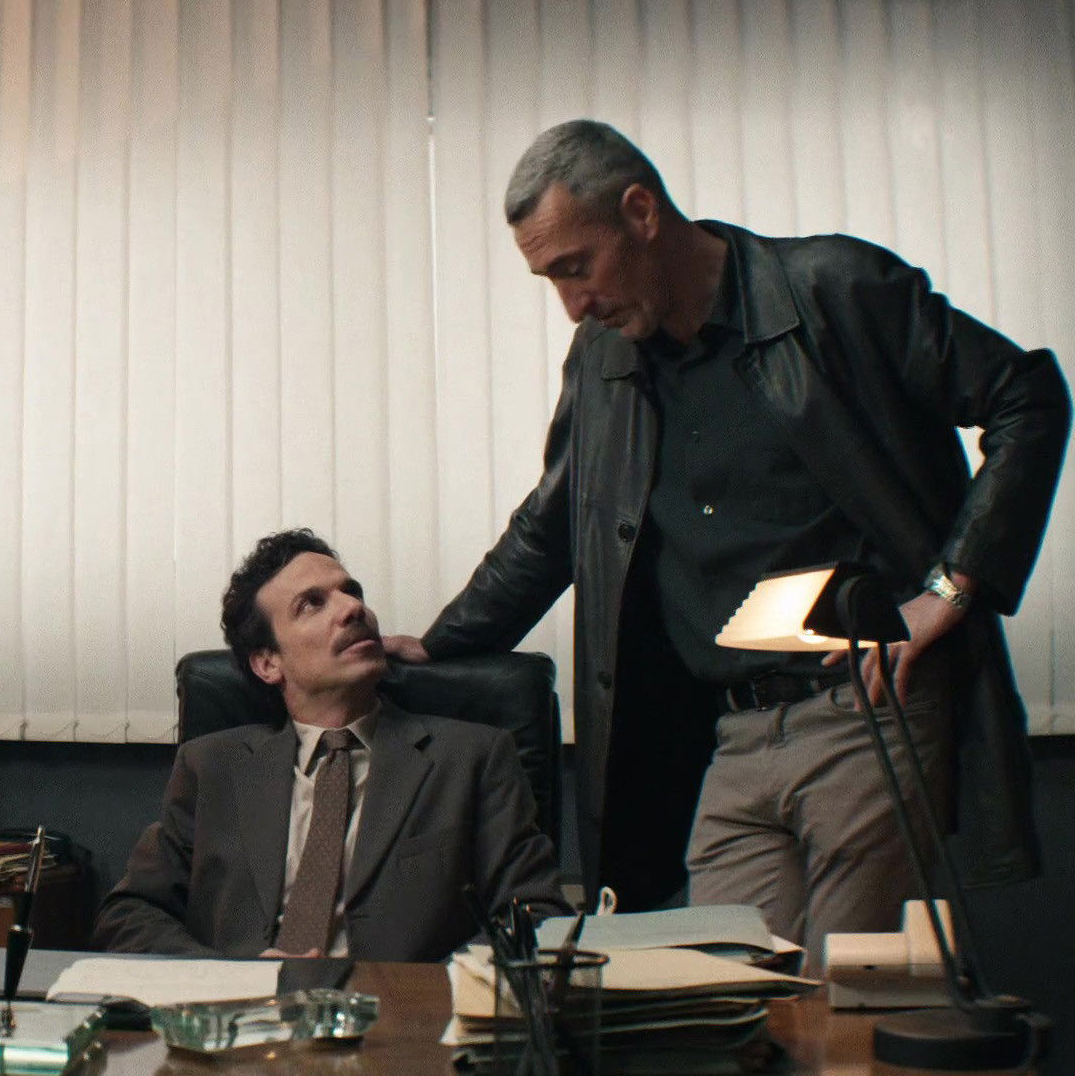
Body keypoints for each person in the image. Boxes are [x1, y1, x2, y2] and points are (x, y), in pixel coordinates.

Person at [385, 120, 1069, 954]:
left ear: (641, 213)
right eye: (550, 279)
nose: (573, 305)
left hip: (863, 705)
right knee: (727, 990)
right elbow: (556, 524)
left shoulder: (834, 288)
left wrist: (949, 591)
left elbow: (1028, 398)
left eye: (576, 266)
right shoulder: (603, 358)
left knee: (836, 997)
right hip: (732, 734)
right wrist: (442, 643)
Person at [96, 530, 567, 960]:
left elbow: (536, 914)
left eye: (352, 592)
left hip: (402, 1016)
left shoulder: (471, 757)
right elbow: (130, 915)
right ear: (268, 663)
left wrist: (426, 993)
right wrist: (227, 975)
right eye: (312, 604)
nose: (352, 609)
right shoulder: (212, 766)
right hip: (245, 1013)